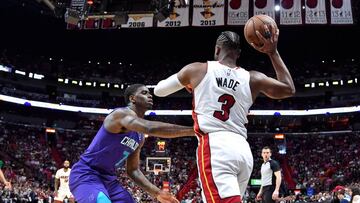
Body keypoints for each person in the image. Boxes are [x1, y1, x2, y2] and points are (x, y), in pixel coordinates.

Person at [154, 26, 295, 203]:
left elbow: (159, 91)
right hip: (243, 150)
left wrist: (190, 83)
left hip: (216, 147)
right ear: (239, 53)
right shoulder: (253, 78)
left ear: (217, 49)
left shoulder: (197, 70)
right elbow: (289, 89)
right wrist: (273, 52)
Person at [69, 84, 194, 203]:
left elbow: (133, 170)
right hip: (85, 174)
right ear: (132, 98)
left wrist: (157, 193)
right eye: (144, 93)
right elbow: (149, 128)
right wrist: (194, 130)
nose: (150, 96)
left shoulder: (140, 137)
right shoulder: (120, 114)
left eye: (150, 93)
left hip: (109, 179)